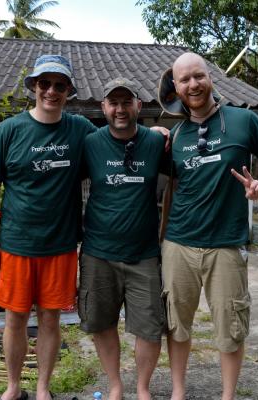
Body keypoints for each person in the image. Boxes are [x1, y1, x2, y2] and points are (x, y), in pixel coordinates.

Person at [159, 52, 258, 400]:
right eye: (184, 80)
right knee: (177, 325)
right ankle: (178, 392)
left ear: (210, 77)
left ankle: (228, 396)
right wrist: (155, 134)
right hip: (179, 243)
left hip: (228, 245)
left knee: (231, 328)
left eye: (198, 76)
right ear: (176, 89)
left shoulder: (244, 120)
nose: (193, 85)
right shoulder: (178, 134)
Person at [0, 54, 97, 400]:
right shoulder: (10, 130)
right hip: (16, 245)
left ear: (68, 91)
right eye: (44, 83)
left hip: (60, 247)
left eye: (59, 85)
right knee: (14, 320)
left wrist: (154, 132)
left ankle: (43, 388)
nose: (51, 91)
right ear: (33, 86)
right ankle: (14, 387)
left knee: (50, 321)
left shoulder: (80, 130)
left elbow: (116, 140)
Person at [78, 77, 168, 400]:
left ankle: (143, 388)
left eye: (126, 102)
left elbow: (185, 176)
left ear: (138, 106)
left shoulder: (156, 143)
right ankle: (115, 385)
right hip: (98, 252)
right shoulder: (90, 144)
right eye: (113, 103)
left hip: (144, 253)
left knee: (150, 326)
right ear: (103, 107)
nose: (120, 109)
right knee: (101, 322)